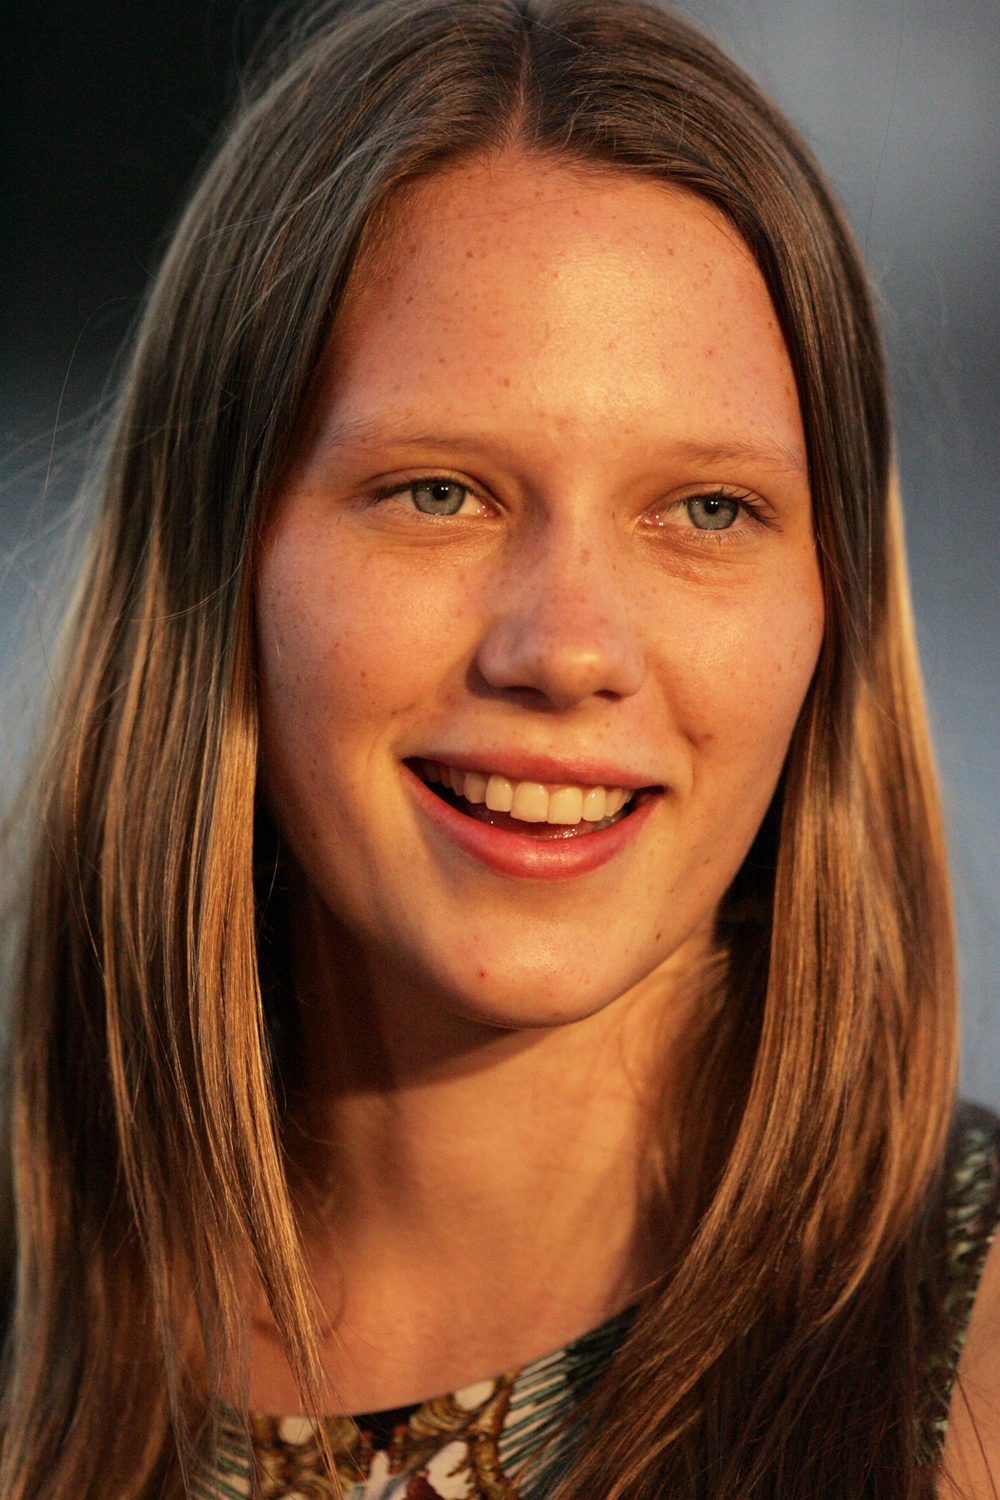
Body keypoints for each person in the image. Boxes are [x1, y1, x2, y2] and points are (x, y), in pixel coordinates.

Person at [1, 0, 998, 1496]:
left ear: (833, 607)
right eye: (440, 492)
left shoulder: (973, 1375)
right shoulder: (39, 1333)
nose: (568, 649)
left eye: (707, 510)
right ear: (219, 556)